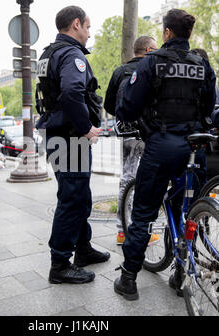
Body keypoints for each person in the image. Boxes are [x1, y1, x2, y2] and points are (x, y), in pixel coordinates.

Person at [114, 9, 216, 301]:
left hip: (161, 145)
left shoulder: (152, 62)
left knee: (144, 211)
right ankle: (182, 270)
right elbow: (208, 108)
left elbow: (127, 108)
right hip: (193, 147)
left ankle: (128, 279)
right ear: (188, 34)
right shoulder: (202, 64)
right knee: (189, 210)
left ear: (167, 33)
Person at [36, 6, 110, 284]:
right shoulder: (71, 54)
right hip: (70, 138)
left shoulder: (49, 53)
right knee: (72, 198)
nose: (89, 34)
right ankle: (60, 263)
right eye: (88, 27)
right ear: (76, 24)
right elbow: (71, 92)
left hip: (57, 135)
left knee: (78, 195)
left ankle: (83, 248)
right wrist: (86, 128)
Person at [104, 36, 159, 245]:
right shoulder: (152, 68)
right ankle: (141, 231)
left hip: (127, 132)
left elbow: (109, 104)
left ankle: (121, 231)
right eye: (155, 49)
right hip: (148, 132)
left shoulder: (119, 71)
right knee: (148, 181)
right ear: (147, 50)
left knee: (127, 179)